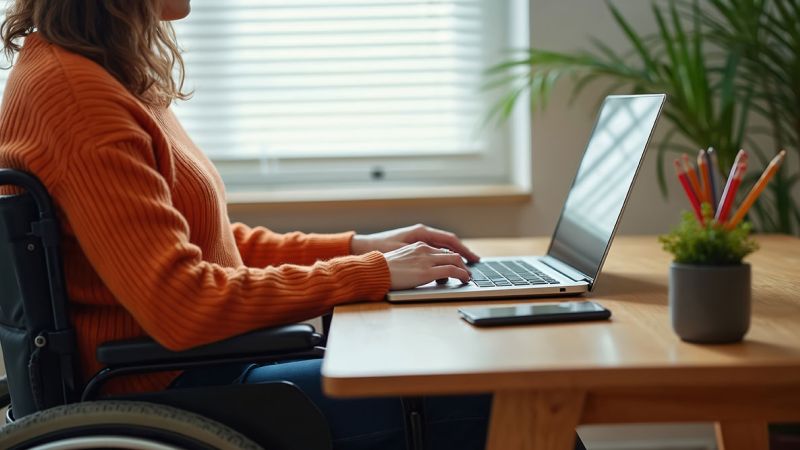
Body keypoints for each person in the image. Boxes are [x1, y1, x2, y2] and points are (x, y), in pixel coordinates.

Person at [0, 1, 585, 449]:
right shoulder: (77, 97)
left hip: (198, 369)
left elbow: (210, 248)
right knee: (506, 394)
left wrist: (361, 247)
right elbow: (183, 303)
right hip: (169, 393)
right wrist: (370, 273)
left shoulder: (98, 74)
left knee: (481, 367)